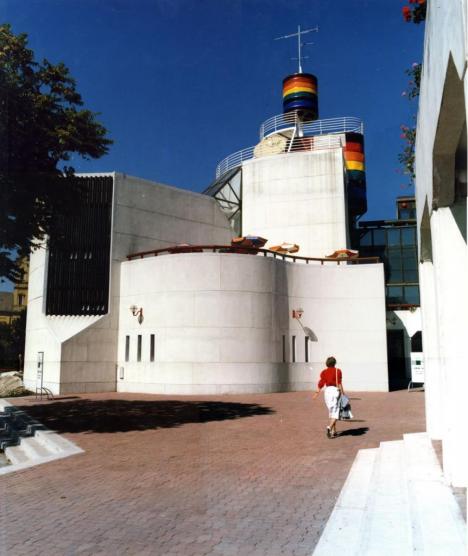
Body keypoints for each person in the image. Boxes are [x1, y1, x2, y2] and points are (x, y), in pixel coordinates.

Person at [313, 356, 344, 438]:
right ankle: (329, 428)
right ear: (334, 363)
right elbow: (339, 383)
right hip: (335, 391)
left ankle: (334, 431)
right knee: (336, 412)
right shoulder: (338, 371)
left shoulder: (324, 372)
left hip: (327, 392)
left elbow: (321, 383)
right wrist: (343, 393)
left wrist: (317, 392)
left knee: (332, 411)